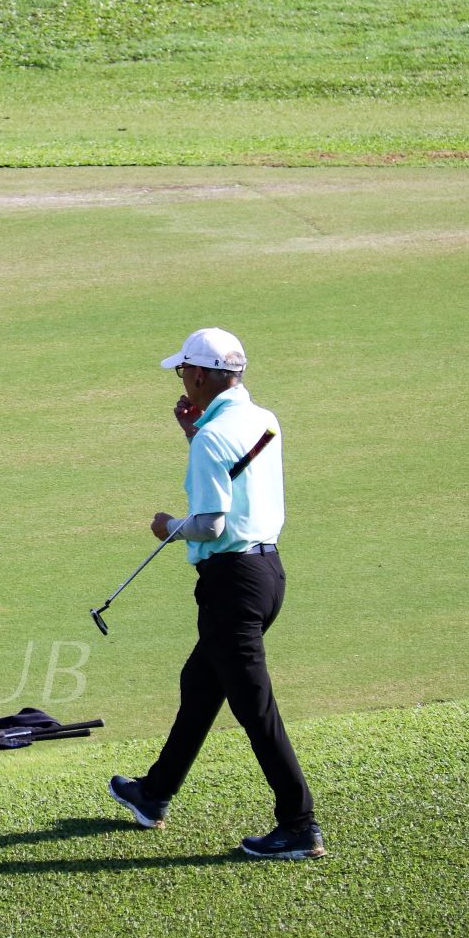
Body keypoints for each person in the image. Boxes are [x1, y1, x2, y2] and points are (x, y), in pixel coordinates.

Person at [108, 329, 324, 859]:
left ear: (201, 375)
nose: (180, 378)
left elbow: (209, 523)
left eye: (183, 370)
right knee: (200, 683)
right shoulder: (264, 419)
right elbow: (236, 475)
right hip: (268, 574)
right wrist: (192, 433)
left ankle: (300, 826)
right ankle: (154, 794)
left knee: (255, 710)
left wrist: (168, 526)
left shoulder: (211, 438)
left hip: (231, 584)